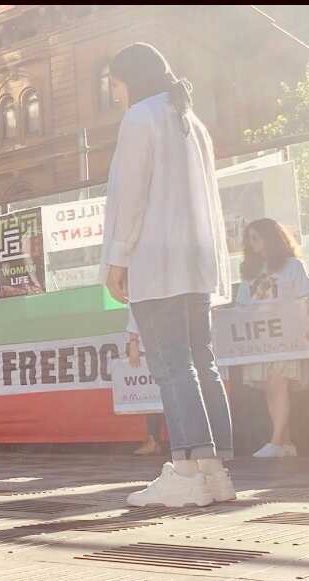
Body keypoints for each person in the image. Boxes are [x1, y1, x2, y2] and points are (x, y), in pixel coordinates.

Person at [102, 42, 235, 508]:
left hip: (156, 261)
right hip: (196, 264)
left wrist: (117, 259)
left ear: (128, 79)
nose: (113, 93)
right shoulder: (189, 120)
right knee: (202, 361)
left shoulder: (140, 117)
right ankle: (213, 472)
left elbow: (130, 196)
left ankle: (184, 470)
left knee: (171, 365)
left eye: (113, 83)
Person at [236, 218, 309, 458]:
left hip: (286, 337)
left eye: (256, 237)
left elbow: (304, 298)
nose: (251, 243)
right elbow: (242, 305)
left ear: (271, 237)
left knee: (278, 384)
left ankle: (276, 442)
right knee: (271, 388)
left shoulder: (292, 266)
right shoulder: (249, 271)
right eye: (249, 238)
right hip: (259, 339)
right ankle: (286, 444)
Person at [126, 313, 164, 456]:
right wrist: (134, 343)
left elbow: (133, 314)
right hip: (156, 346)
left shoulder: (138, 291)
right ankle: (153, 440)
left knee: (155, 394)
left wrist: (133, 342)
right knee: (152, 395)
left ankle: (154, 441)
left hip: (156, 347)